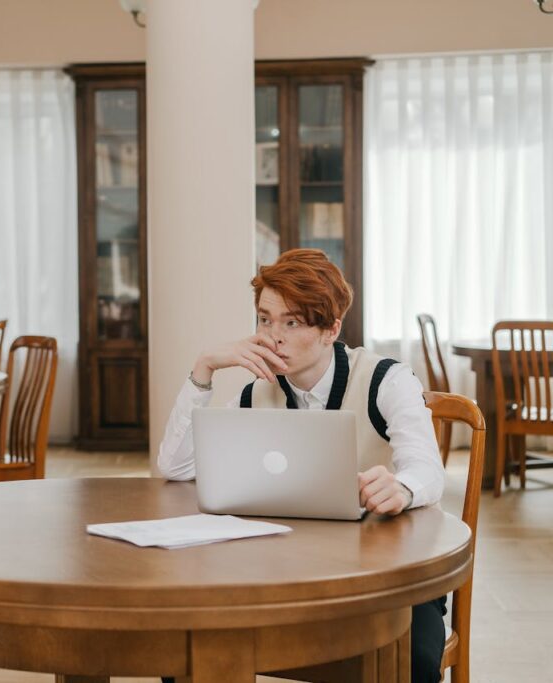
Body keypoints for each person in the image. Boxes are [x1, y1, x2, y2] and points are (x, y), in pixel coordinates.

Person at [157, 249, 447, 683]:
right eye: (264, 319)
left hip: (389, 580)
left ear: (331, 329)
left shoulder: (386, 380)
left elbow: (427, 468)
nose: (273, 337)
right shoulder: (257, 393)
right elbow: (175, 469)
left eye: (291, 323)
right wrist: (205, 367)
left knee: (414, 663)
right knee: (183, 644)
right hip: (288, 575)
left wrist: (403, 487)